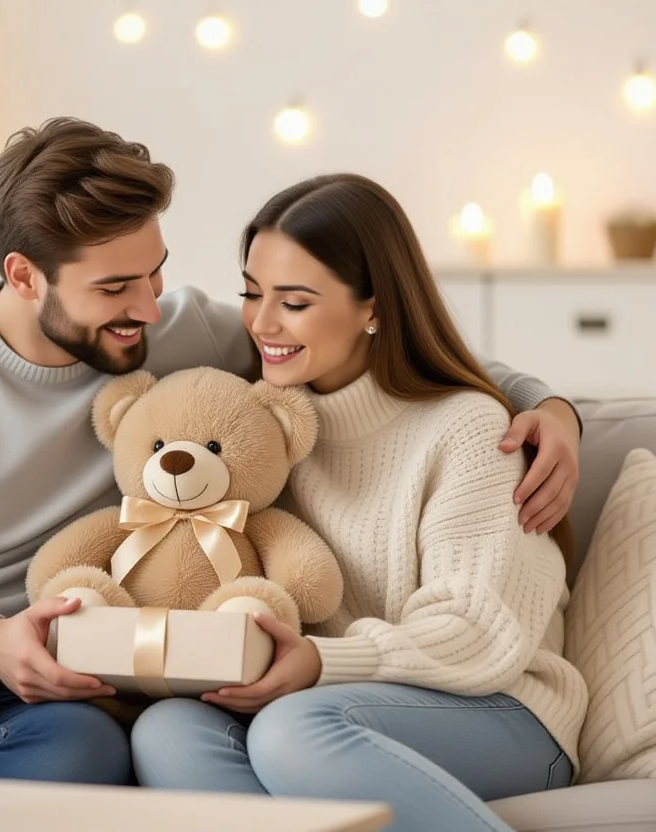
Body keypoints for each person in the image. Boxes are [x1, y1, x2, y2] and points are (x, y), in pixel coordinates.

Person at [0, 118, 582, 784]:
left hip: (61, 697)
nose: (149, 304)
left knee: (100, 746)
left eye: (157, 272)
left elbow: (377, 347)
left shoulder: (174, 334)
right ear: (25, 277)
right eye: (115, 287)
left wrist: (545, 405)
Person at [128, 172, 589, 831]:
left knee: (293, 730)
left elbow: (477, 631)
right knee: (169, 729)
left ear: (373, 307)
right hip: (332, 699)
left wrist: (322, 661)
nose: (261, 323)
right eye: (252, 294)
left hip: (503, 707)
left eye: (294, 301)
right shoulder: (261, 428)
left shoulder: (468, 428)